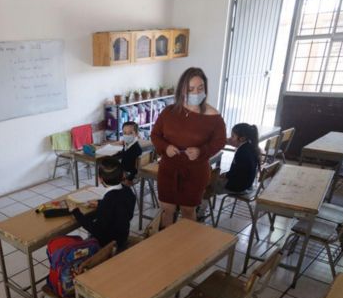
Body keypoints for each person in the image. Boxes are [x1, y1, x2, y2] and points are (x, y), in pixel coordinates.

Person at [150, 68, 226, 229]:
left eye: (200, 88)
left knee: (188, 210)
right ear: (182, 90)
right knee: (167, 209)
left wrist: (201, 151)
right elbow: (155, 135)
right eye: (190, 89)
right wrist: (165, 147)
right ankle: (166, 244)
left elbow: (219, 142)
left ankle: (186, 246)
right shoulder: (169, 112)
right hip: (168, 169)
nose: (196, 92)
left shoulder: (213, 117)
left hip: (195, 171)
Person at [70, 156, 136, 250]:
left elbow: (96, 230)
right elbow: (119, 208)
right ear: (122, 175)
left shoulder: (108, 200)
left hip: (106, 246)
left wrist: (76, 212)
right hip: (122, 238)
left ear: (100, 179)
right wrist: (100, 203)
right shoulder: (128, 191)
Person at [215, 123, 261, 194]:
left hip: (238, 187)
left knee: (208, 181)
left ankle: (201, 202)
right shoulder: (250, 147)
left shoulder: (242, 152)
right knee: (216, 176)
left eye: (233, 136)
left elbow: (235, 172)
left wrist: (225, 175)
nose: (230, 138)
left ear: (242, 138)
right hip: (247, 184)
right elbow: (239, 170)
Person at [111, 121, 143, 185]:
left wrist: (129, 178)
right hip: (124, 171)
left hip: (129, 175)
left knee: (109, 174)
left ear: (136, 134)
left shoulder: (136, 148)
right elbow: (125, 154)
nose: (127, 135)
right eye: (124, 133)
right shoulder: (127, 144)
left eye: (130, 133)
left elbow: (135, 169)